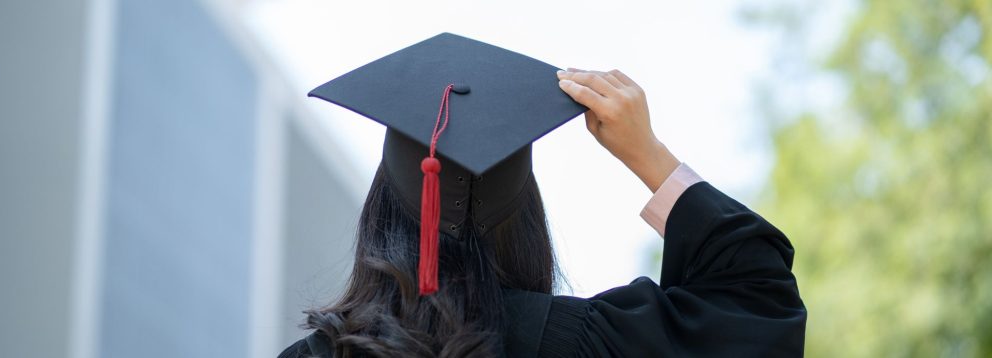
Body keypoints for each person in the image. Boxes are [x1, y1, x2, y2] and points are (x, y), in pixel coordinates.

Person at [281, 33, 806, 357]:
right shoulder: (590, 343)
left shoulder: (315, 356)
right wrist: (648, 154)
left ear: (385, 212)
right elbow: (757, 303)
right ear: (524, 221)